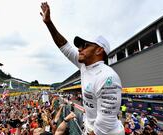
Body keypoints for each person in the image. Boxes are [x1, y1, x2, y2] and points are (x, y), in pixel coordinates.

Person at [40, 2, 124, 135]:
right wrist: (49, 23)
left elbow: (104, 126)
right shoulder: (85, 66)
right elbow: (64, 46)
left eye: (84, 45)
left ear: (99, 50)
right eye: (79, 45)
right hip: (91, 128)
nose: (79, 49)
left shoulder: (108, 77)